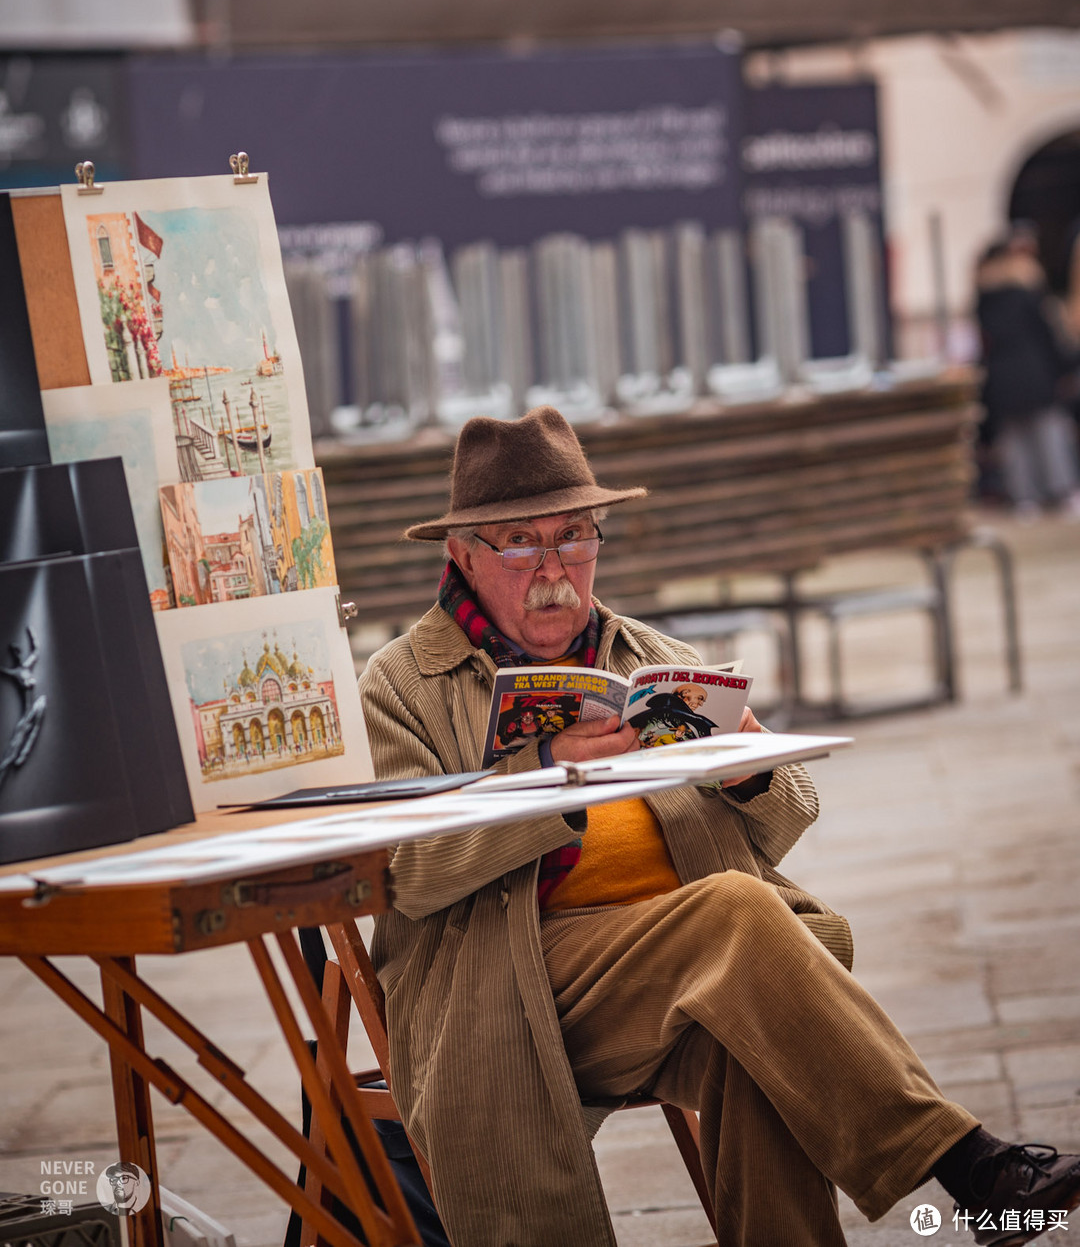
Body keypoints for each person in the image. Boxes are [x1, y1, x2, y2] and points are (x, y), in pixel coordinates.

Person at [360, 407, 1080, 1247]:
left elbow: (793, 809)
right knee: (734, 910)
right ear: (463, 553)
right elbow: (413, 869)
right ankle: (968, 1163)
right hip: (509, 979)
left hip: (686, 979)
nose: (554, 567)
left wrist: (752, 770)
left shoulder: (647, 656)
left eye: (575, 535)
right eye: (521, 540)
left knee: (760, 1055)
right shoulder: (406, 682)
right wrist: (550, 771)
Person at [976, 237, 1080, 516]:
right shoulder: (1029, 293)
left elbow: (984, 344)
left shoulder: (985, 298)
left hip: (1002, 378)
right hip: (1035, 372)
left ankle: (1025, 497)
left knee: (1014, 440)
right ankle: (1062, 490)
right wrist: (1065, 367)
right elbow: (1046, 336)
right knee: (1048, 433)